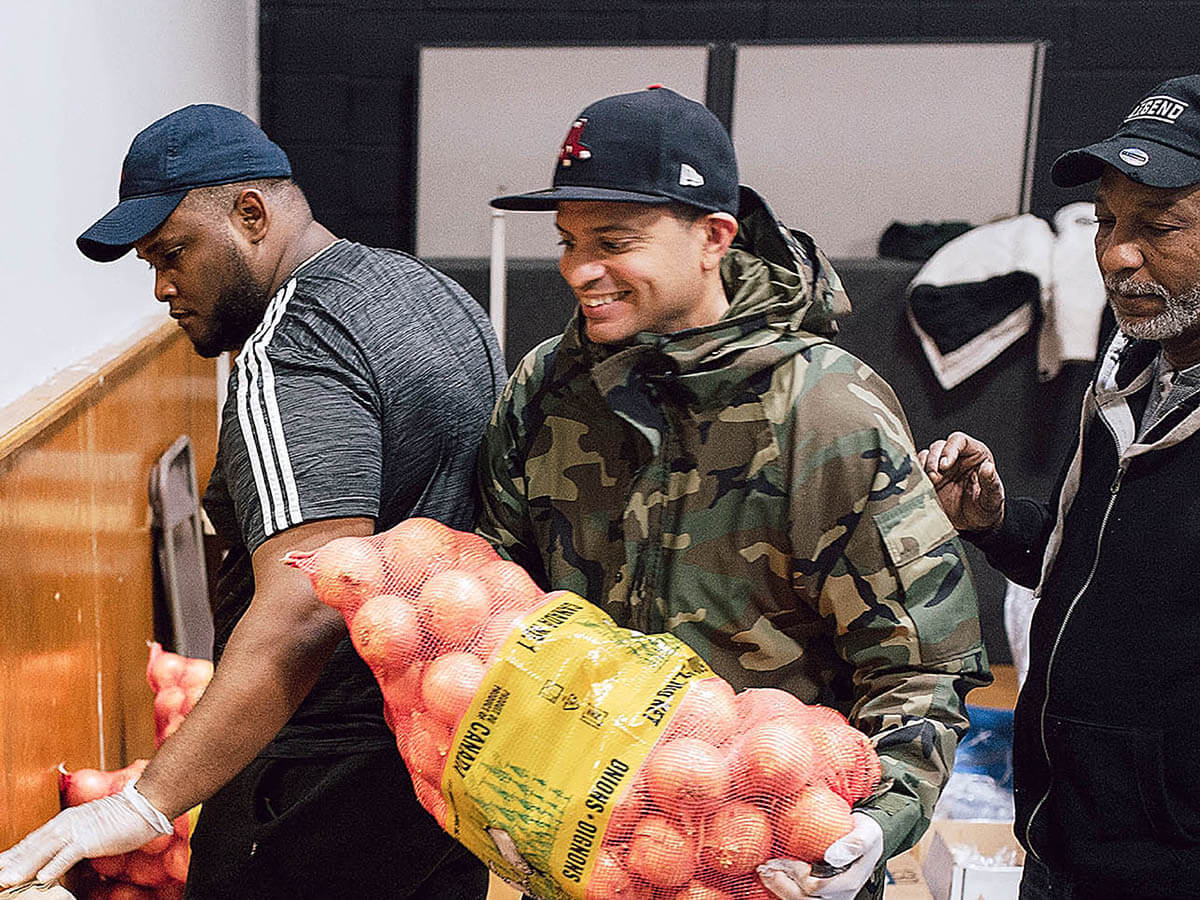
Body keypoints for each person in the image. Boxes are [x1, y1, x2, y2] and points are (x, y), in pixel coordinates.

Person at [477, 86, 991, 900]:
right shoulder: (547, 386)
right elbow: (500, 611)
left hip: (774, 858)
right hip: (594, 855)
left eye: (615, 240)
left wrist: (874, 824)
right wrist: (502, 770)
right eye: (568, 240)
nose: (581, 269)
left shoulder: (823, 410)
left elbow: (919, 666)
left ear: (715, 237)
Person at [0, 104, 503, 899]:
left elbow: (307, 605)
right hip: (440, 759)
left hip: (317, 780)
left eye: (173, 255)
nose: (163, 288)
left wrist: (144, 801)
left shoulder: (290, 348)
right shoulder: (431, 294)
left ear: (251, 214)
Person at [919, 74, 1200, 899]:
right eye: (1108, 221)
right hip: (1062, 841)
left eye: (1159, 226)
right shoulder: (1131, 379)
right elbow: (1096, 573)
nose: (1117, 252)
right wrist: (998, 522)